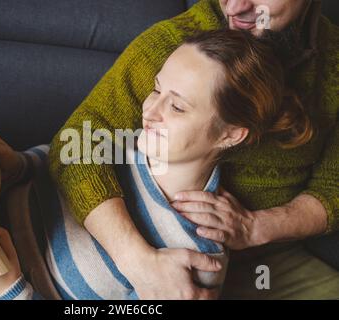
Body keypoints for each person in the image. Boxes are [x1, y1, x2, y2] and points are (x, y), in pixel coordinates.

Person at [0, 29, 325, 300]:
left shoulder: (197, 260)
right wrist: (21, 165)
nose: (150, 111)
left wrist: (9, 289)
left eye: (178, 107)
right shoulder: (124, 143)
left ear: (230, 135)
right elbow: (59, 163)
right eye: (156, 90)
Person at [42, 0, 338, 299]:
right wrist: (138, 261)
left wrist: (257, 227)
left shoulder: (334, 63)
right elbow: (77, 144)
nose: (234, 7)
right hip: (151, 244)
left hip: (271, 253)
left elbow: (333, 186)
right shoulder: (176, 45)